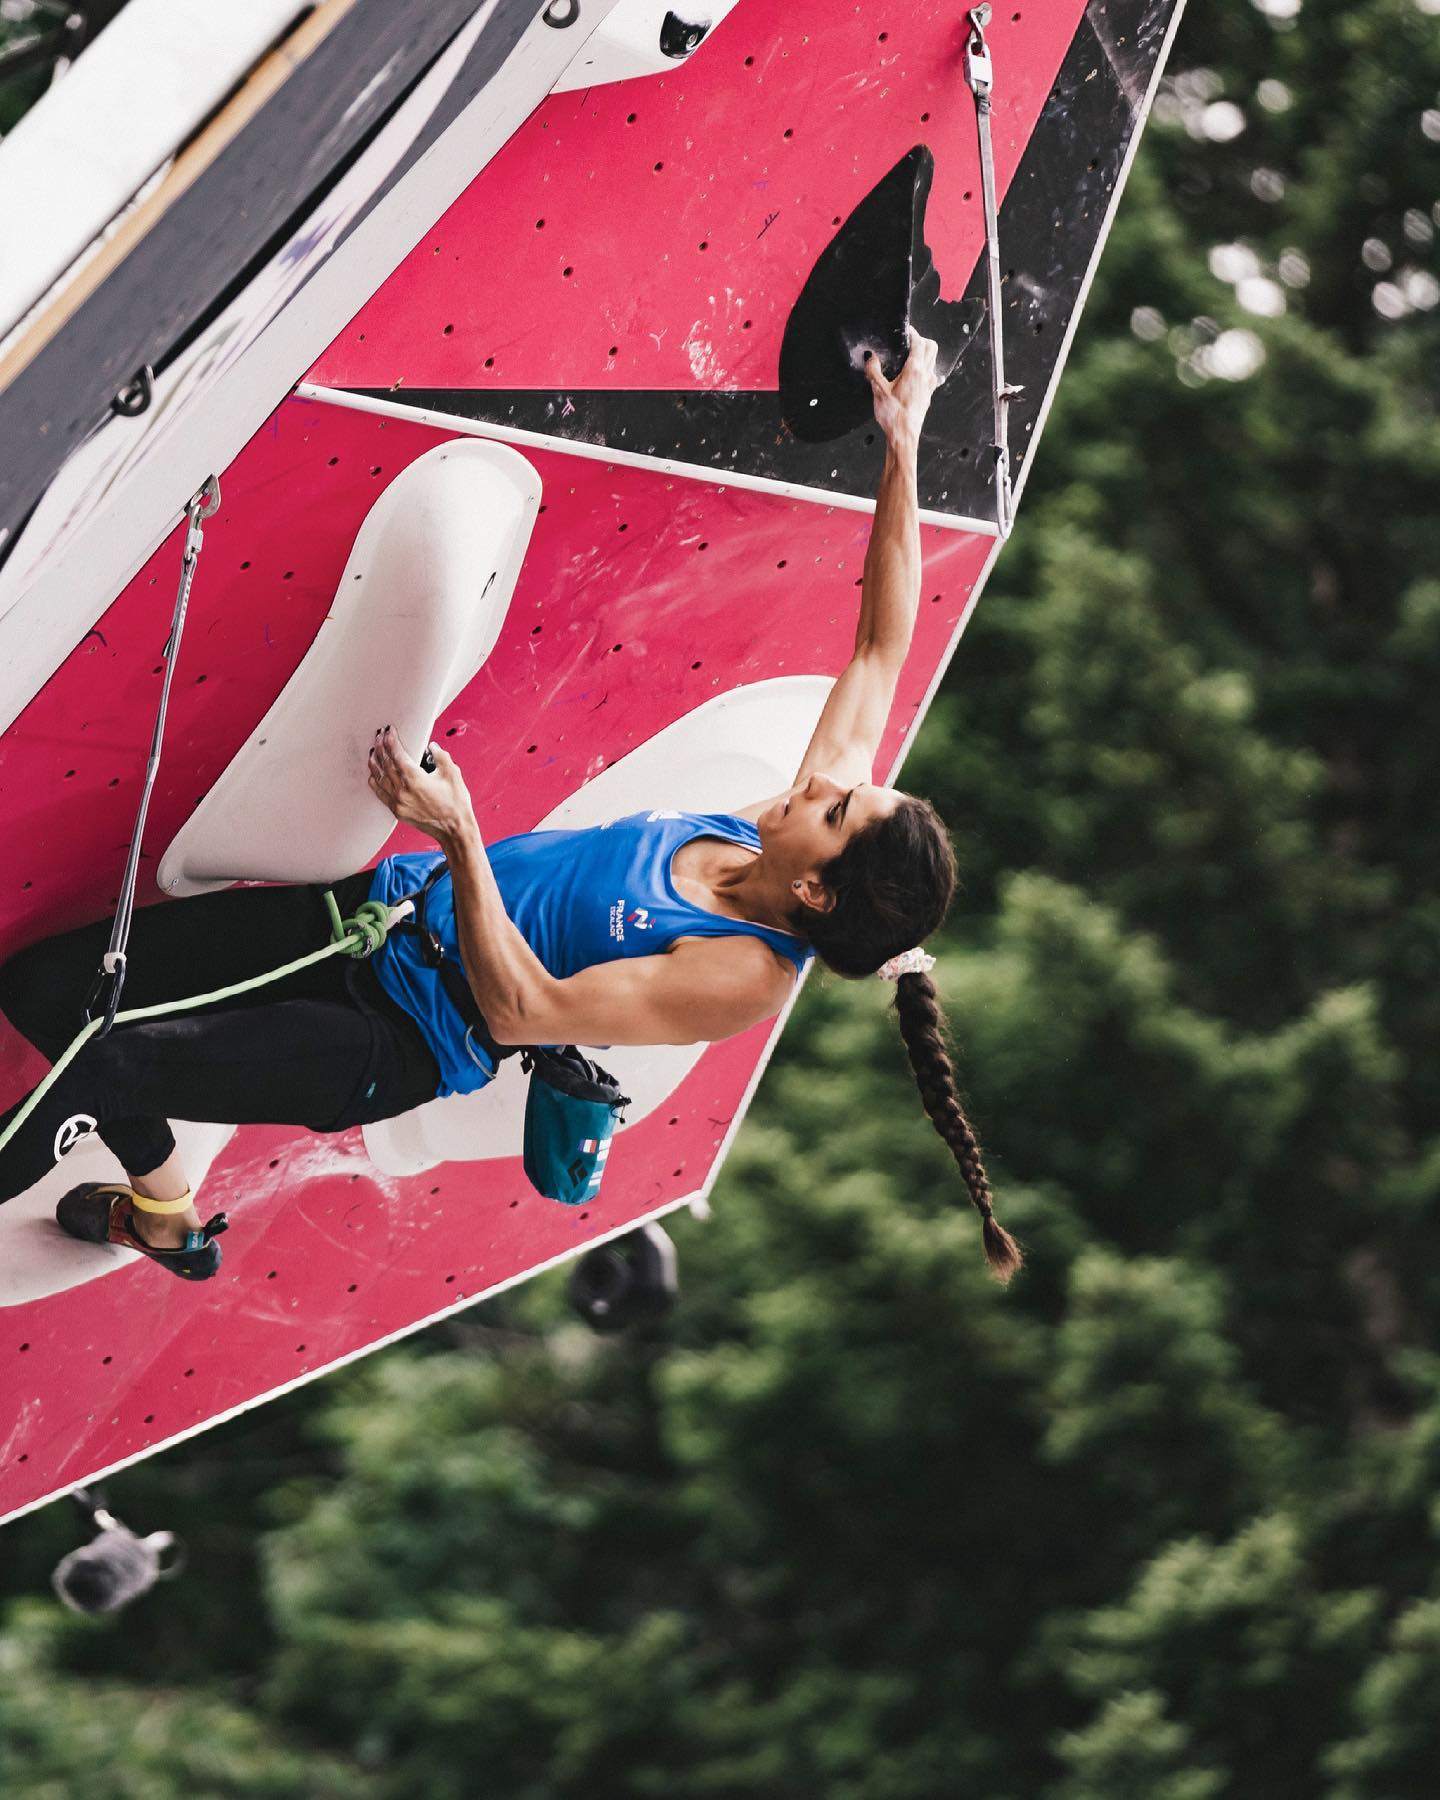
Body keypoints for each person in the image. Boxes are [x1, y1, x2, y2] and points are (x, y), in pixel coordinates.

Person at [0, 332, 1020, 1285]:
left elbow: (521, 1011)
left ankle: (157, 1204)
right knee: (44, 990)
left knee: (110, 1060)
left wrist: (461, 835)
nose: (826, 780)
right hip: (366, 922)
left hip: (394, 1041)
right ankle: (169, 1211)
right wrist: (904, 441)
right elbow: (881, 644)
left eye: (839, 809)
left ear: (813, 887)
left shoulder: (741, 972)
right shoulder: (779, 825)